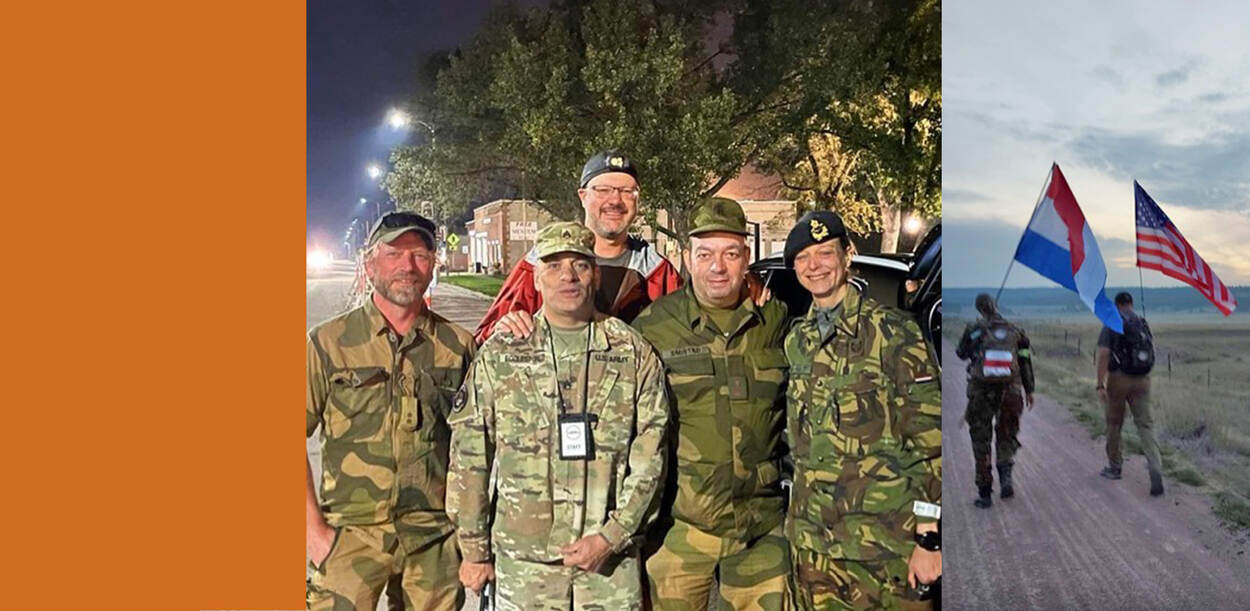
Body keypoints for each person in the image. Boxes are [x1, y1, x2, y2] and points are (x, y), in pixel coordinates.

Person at [447, 222, 669, 609]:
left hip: (608, 568)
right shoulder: (503, 354)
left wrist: (614, 535)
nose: (568, 276)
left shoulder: (632, 352)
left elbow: (652, 454)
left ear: (595, 274)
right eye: (553, 265)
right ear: (536, 277)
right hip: (524, 566)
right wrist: (474, 549)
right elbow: (470, 455)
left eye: (580, 265)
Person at [305, 211, 476, 610]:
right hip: (350, 533)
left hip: (433, 538)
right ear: (370, 264)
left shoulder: (458, 346)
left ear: (433, 265)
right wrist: (313, 533)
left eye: (420, 255)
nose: (407, 266)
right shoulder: (328, 343)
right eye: (394, 254)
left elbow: (479, 446)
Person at [631, 197, 792, 610]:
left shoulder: (774, 320)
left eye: (730, 254)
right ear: (688, 258)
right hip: (681, 528)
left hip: (761, 527)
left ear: (746, 259)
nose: (717, 267)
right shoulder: (654, 326)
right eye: (705, 254)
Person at [782, 210, 941, 610]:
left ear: (847, 254)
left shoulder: (892, 332)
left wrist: (929, 539)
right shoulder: (797, 341)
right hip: (814, 548)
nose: (814, 266)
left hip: (884, 550)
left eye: (825, 252)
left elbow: (931, 442)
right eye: (802, 258)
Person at [474, 150, 681, 343]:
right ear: (583, 196)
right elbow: (484, 339)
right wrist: (503, 329)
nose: (615, 200)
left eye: (627, 191)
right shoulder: (542, 262)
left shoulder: (657, 273)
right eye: (603, 190)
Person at [955, 293, 1034, 508]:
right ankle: (1006, 478)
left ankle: (985, 493)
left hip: (981, 391)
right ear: (995, 305)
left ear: (979, 309)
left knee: (981, 440)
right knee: (1007, 434)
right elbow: (1025, 359)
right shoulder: (1015, 330)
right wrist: (1029, 389)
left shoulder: (975, 329)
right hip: (1011, 390)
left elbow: (961, 353)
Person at [1095, 291, 1164, 496]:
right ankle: (1155, 466)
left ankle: (1115, 466)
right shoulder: (1142, 322)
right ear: (1131, 303)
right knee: (1145, 424)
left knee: (1114, 423)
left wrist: (1100, 384)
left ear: (1116, 305)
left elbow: (1104, 354)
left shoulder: (1112, 322)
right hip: (1142, 379)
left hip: (1118, 379)